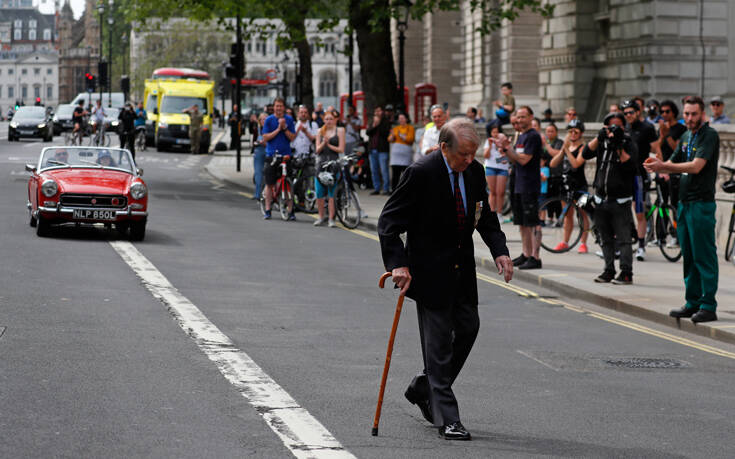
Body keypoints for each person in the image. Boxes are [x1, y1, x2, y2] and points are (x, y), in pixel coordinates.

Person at [377, 118, 513, 441]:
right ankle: (448, 419)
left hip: (462, 272)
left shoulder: (475, 172)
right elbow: (388, 222)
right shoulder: (421, 173)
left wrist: (500, 251)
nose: (469, 160)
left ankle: (424, 388)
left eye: (473, 154)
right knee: (437, 348)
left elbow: (485, 217)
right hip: (429, 273)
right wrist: (398, 264)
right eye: (464, 154)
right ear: (443, 148)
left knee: (469, 328)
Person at [644, 96, 719, 323]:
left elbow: (696, 166)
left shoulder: (709, 135)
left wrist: (663, 165)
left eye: (693, 114)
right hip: (684, 203)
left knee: (704, 255)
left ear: (702, 114)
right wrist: (655, 162)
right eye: (686, 114)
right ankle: (692, 301)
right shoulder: (686, 136)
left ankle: (708, 305)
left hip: (701, 203)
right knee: (688, 255)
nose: (689, 118)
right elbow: (670, 161)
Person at [581, 112, 638, 284]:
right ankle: (608, 270)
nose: (613, 129)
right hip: (601, 199)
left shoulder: (628, 143)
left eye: (617, 126)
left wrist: (618, 145)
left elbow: (630, 167)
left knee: (624, 240)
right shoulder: (602, 143)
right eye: (609, 125)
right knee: (604, 238)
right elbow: (585, 154)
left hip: (620, 201)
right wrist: (599, 138)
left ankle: (626, 272)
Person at [504, 106, 543, 270]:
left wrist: (508, 149)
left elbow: (524, 159)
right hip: (519, 183)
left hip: (530, 183)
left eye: (523, 117)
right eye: (518, 117)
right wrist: (506, 149)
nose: (520, 120)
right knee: (522, 222)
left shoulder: (533, 136)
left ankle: (535, 256)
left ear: (531, 117)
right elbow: (515, 159)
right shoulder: (521, 136)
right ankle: (526, 253)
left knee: (532, 222)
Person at [621, 99, 659, 262]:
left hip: (639, 175)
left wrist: (661, 170)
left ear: (638, 112)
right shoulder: (624, 128)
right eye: (625, 113)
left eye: (631, 112)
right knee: (620, 209)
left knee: (640, 210)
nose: (628, 115)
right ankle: (621, 244)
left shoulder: (647, 128)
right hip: (623, 175)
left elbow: (656, 149)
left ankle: (642, 245)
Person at [548, 119, 590, 253]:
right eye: (570, 131)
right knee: (567, 214)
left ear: (581, 133)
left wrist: (567, 150)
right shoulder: (566, 148)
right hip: (566, 186)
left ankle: (583, 243)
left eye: (575, 131)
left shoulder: (583, 148)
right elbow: (553, 164)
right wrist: (563, 150)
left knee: (582, 214)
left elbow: (576, 164)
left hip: (580, 186)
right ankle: (565, 242)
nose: (572, 134)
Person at [261, 97, 296, 220]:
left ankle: (291, 211)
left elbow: (292, 138)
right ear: (273, 107)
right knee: (270, 184)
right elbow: (265, 138)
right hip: (272, 155)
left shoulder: (289, 119)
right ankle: (268, 209)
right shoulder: (269, 120)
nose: (279, 108)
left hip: (286, 155)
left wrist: (285, 128)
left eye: (281, 106)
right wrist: (278, 129)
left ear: (284, 108)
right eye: (277, 106)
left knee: (288, 183)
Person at [313, 111, 345, 227]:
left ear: (335, 120)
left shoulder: (340, 130)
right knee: (319, 193)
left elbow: (341, 149)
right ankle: (321, 217)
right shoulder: (320, 132)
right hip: (321, 165)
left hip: (333, 164)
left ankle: (331, 219)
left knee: (332, 194)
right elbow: (317, 150)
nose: (329, 121)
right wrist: (323, 143)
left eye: (331, 119)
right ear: (323, 120)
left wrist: (329, 145)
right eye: (326, 119)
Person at [657, 100, 686, 209]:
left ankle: (675, 225)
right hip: (663, 170)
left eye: (667, 111)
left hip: (675, 170)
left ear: (673, 112)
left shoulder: (681, 129)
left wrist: (668, 135)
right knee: (662, 203)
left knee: (675, 203)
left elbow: (677, 149)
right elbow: (657, 149)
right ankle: (663, 225)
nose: (664, 114)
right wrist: (661, 136)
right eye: (662, 112)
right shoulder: (662, 128)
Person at [482, 121, 510, 218]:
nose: (495, 134)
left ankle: (499, 213)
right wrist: (490, 146)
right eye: (493, 132)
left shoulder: (504, 141)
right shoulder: (487, 141)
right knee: (492, 191)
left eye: (497, 132)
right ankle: (491, 213)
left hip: (502, 169)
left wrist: (502, 151)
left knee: (501, 192)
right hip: (490, 167)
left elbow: (506, 160)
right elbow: (486, 156)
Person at [365, 106, 391, 195]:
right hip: (372, 150)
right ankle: (376, 188)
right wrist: (374, 125)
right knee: (374, 170)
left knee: (384, 170)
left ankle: (386, 188)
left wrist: (378, 124)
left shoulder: (385, 121)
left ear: (382, 112)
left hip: (382, 150)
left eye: (379, 111)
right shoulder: (372, 121)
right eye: (376, 111)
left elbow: (385, 133)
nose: (377, 112)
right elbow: (368, 132)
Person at [388, 112, 415, 191]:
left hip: (405, 154)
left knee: (406, 174)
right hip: (396, 155)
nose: (401, 120)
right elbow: (389, 139)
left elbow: (410, 139)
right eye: (399, 119)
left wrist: (402, 137)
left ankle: (407, 190)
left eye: (402, 118)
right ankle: (394, 191)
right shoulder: (396, 128)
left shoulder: (410, 128)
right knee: (395, 174)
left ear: (406, 119)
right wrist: (393, 136)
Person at [252, 113, 268, 201]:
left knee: (267, 174)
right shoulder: (257, 129)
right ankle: (257, 194)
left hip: (267, 151)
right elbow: (254, 140)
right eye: (262, 119)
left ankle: (265, 194)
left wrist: (264, 143)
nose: (263, 121)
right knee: (258, 174)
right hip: (258, 152)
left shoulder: (270, 129)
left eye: (265, 119)